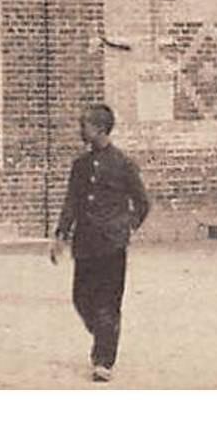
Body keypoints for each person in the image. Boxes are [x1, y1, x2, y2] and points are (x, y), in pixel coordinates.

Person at [50, 103, 150, 382]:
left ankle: (103, 360)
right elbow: (71, 201)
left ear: (100, 129)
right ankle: (105, 334)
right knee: (81, 298)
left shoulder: (123, 164)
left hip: (112, 246)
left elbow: (142, 203)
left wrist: (125, 227)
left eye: (85, 126)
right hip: (85, 243)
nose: (80, 131)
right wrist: (60, 234)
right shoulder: (80, 166)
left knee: (108, 302)